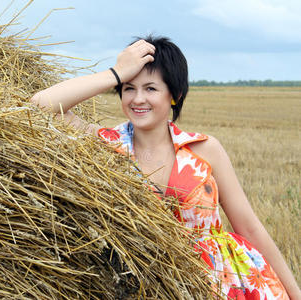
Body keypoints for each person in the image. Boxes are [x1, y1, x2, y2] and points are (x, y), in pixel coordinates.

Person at [30, 35, 300, 299]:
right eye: (129, 88)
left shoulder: (205, 150)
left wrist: (295, 293)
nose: (138, 99)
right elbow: (38, 107)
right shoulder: (104, 146)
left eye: (150, 88)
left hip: (223, 284)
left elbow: (250, 228)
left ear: (175, 94)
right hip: (148, 284)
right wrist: (116, 72)